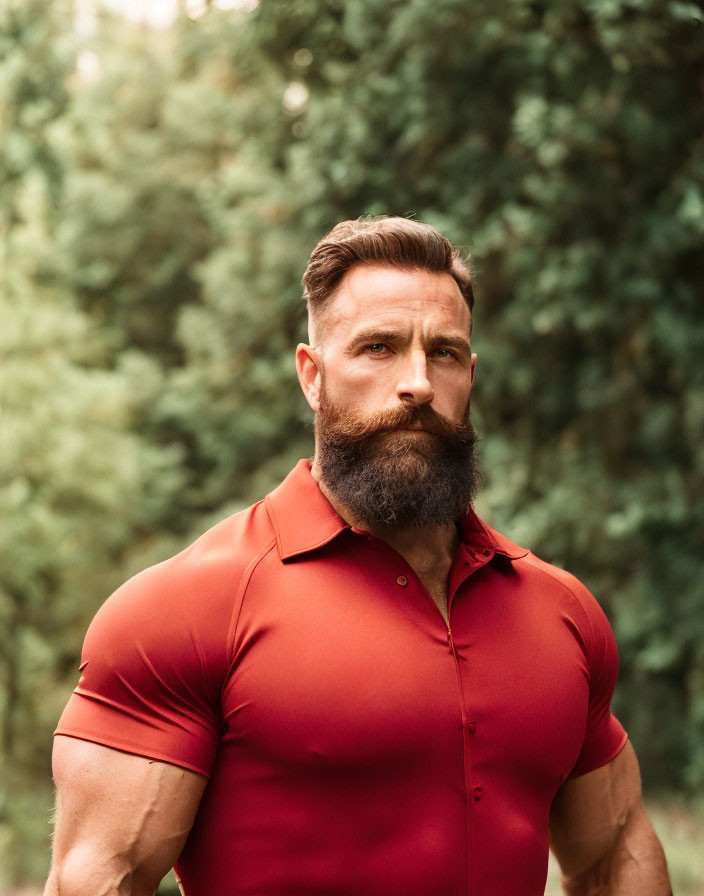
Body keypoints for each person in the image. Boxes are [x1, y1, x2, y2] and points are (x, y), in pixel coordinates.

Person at [44, 217, 672, 896]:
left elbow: (613, 857)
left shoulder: (561, 613)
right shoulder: (186, 610)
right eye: (378, 348)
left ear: (470, 375)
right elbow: (101, 881)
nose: (417, 384)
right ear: (312, 376)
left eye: (445, 354)